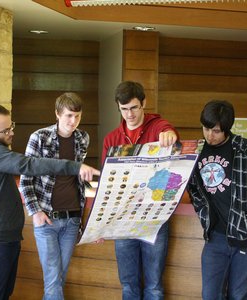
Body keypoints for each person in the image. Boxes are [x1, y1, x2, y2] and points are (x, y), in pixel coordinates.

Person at [0, 103, 100, 300]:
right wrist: (75, 167)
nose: (11, 133)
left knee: (3, 293)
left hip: (6, 237)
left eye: (12, 126)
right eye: (5, 130)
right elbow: (29, 165)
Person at [102, 81, 178, 300]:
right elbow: (108, 183)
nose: (130, 114)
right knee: (128, 286)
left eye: (134, 107)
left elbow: (166, 129)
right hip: (123, 219)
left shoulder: (157, 127)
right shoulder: (112, 139)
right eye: (124, 109)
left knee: (154, 286)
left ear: (143, 103)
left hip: (154, 219)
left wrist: (169, 134)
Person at [19, 92, 91, 300]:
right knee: (52, 279)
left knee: (58, 278)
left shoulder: (82, 138)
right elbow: (26, 180)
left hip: (72, 218)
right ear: (57, 114)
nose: (73, 121)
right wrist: (36, 212)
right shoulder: (39, 137)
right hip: (47, 219)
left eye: (77, 116)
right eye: (68, 115)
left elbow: (77, 179)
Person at [187, 100, 247, 299]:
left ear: (227, 129)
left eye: (216, 131)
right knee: (210, 295)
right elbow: (193, 188)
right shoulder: (195, 152)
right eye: (206, 128)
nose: (210, 135)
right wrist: (204, 215)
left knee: (238, 297)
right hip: (215, 237)